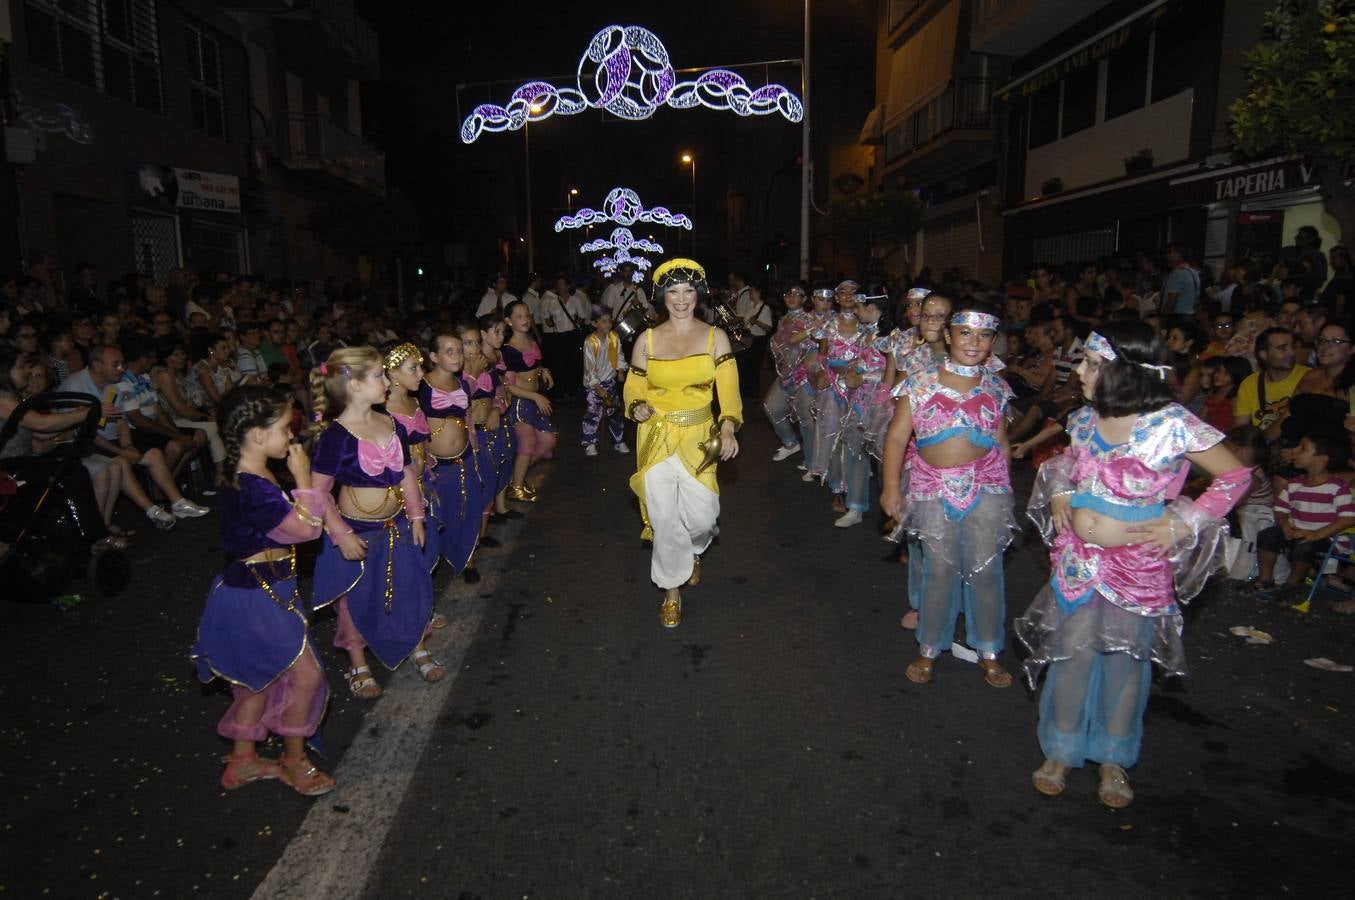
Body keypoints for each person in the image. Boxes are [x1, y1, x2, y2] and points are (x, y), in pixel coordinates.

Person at [1018, 322, 1249, 808]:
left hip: (1137, 568)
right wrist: (1061, 489)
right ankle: (1060, 749)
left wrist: (1184, 522)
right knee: (1072, 653)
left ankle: (1113, 758)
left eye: (1090, 364)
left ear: (1122, 371)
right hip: (1079, 561)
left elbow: (1234, 477)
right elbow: (1066, 462)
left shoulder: (1173, 423)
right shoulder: (1085, 419)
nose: (1079, 371)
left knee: (1125, 663)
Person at [190, 385, 334, 796]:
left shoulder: (252, 474)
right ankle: (294, 761)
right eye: (285, 429)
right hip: (255, 598)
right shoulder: (252, 486)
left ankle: (242, 762)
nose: (291, 437)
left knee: (261, 679)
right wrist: (305, 478)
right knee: (306, 677)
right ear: (256, 434)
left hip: (255, 591)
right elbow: (306, 530)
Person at [880, 300, 1018, 688]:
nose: (974, 342)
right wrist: (892, 487)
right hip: (932, 485)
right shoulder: (921, 380)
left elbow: (1001, 443)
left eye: (985, 334)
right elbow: (897, 435)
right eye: (965, 332)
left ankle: (989, 648)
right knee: (938, 569)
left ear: (993, 341)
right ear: (948, 334)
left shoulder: (996, 385)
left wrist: (1006, 491)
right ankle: (930, 645)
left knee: (985, 569)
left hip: (986, 484)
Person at [308, 347, 442, 700]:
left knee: (408, 586)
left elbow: (406, 472)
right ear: (353, 385)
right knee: (356, 600)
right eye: (379, 376)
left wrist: (416, 513)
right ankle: (359, 663)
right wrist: (341, 533)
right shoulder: (335, 436)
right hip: (358, 532)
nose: (386, 382)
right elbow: (318, 493)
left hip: (396, 525)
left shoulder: (390, 423)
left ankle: (416, 644)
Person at [623, 258, 741, 627]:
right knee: (663, 517)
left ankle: (692, 553)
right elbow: (633, 385)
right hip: (656, 436)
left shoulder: (714, 337)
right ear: (661, 296)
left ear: (699, 294)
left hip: (699, 439)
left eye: (688, 290)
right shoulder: (647, 339)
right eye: (673, 291)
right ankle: (671, 590)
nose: (681, 299)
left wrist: (728, 428)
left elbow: (730, 392)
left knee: (703, 519)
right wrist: (637, 404)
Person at [1253, 430, 1355, 603]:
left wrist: (1316, 534)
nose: (1295, 450)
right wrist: (1284, 524)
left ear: (1322, 459)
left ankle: (1292, 585)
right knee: (1267, 535)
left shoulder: (1337, 488)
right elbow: (1281, 510)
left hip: (1327, 538)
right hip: (1297, 531)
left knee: (1305, 545)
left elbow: (1348, 518)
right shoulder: (1294, 484)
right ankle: (1265, 579)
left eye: (1303, 448)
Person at [418, 328, 483, 582]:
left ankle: (469, 559)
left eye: (458, 351)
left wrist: (474, 450)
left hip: (464, 458)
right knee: (441, 516)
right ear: (433, 356)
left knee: (468, 510)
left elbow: (468, 420)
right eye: (449, 351)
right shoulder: (422, 387)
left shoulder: (462, 383)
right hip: (438, 466)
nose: (457, 356)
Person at [382, 341, 442, 578]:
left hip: (423, 482)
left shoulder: (415, 402)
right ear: (392, 372)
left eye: (420, 367)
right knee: (407, 556)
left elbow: (423, 445)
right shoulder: (382, 411)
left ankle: (423, 608)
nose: (421, 373)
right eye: (413, 368)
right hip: (401, 492)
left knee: (427, 546)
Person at [501, 300, 556, 501]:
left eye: (527, 315)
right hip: (520, 401)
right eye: (519, 316)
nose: (525, 319)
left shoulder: (531, 340)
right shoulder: (508, 350)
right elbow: (509, 386)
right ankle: (516, 487)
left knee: (549, 440)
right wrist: (536, 395)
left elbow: (535, 366)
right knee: (528, 441)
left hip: (534, 400)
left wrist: (544, 370)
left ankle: (515, 476)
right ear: (508, 321)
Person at [763, 282, 813, 462]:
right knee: (771, 407)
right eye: (787, 294)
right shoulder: (783, 319)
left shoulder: (809, 319)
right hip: (786, 373)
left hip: (805, 374)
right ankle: (790, 443)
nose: (791, 297)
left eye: (796, 294)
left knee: (807, 417)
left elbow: (811, 345)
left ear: (805, 299)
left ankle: (813, 462)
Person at [1233, 328, 1310, 439]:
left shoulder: (1309, 377)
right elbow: (1241, 427)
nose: (1291, 353)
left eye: (1292, 347)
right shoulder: (1250, 383)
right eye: (1282, 349)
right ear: (1264, 355)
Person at [581, 306, 629, 457]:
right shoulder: (590, 342)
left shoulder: (614, 337)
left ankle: (619, 441)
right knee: (593, 414)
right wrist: (596, 386)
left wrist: (620, 370)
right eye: (604, 321)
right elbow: (589, 367)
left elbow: (620, 355)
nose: (608, 324)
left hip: (610, 382)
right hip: (594, 385)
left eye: (609, 321)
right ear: (595, 323)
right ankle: (590, 442)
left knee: (614, 413)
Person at [731, 271, 773, 398]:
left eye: (752, 291)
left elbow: (768, 328)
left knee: (754, 368)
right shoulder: (751, 306)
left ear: (758, 292)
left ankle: (753, 394)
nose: (750, 293)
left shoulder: (764, 308)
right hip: (748, 339)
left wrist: (757, 322)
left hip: (757, 341)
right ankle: (746, 391)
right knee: (746, 366)